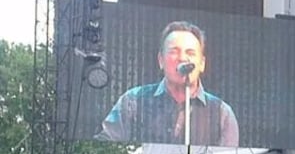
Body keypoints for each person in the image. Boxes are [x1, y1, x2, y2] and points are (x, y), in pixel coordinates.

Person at [97, 21, 239, 146]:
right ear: (161, 60)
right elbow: (104, 145)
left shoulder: (222, 113)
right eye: (174, 51)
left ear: (202, 64)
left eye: (190, 53)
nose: (182, 58)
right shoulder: (133, 101)